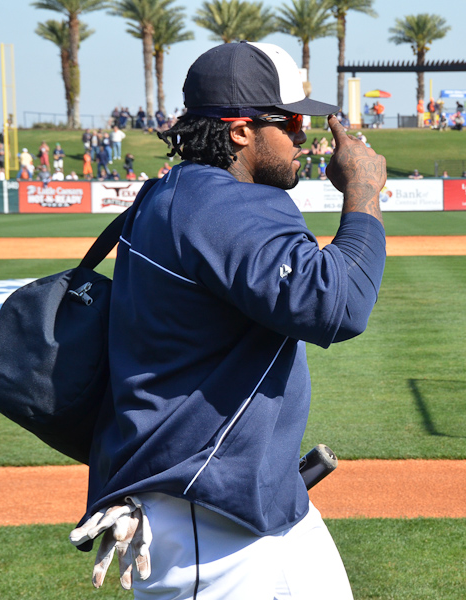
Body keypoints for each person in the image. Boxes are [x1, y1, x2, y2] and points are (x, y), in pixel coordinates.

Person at [67, 41, 385, 599]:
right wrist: (362, 190)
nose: (304, 136)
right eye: (290, 121)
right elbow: (338, 305)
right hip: (208, 527)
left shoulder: (173, 193)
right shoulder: (225, 207)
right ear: (240, 130)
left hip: (256, 505)